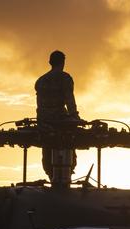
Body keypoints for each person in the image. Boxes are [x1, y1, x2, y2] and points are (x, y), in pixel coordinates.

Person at [35, 50, 79, 179]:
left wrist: (42, 121)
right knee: (68, 143)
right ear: (63, 62)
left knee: (47, 152)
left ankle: (51, 175)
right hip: (60, 123)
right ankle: (67, 173)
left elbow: (40, 105)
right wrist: (74, 117)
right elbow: (69, 100)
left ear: (50, 62)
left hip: (44, 123)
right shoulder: (65, 78)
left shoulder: (41, 81)